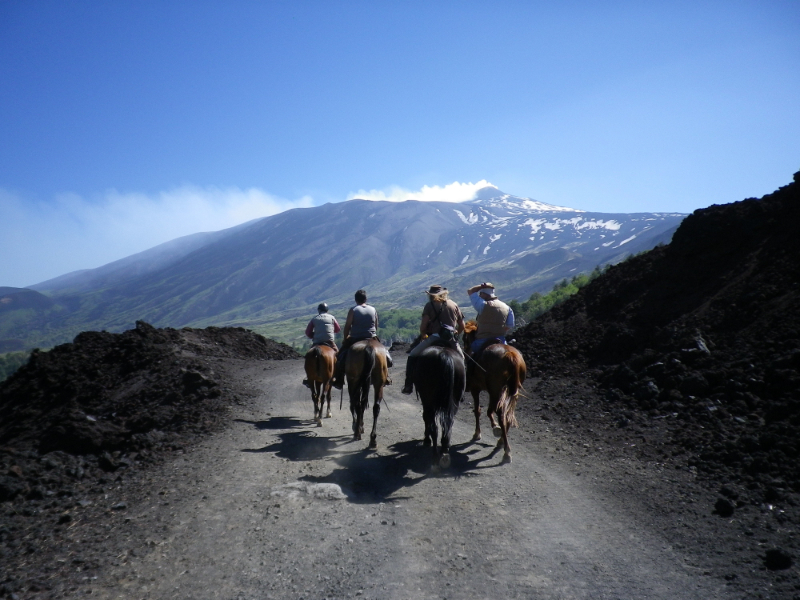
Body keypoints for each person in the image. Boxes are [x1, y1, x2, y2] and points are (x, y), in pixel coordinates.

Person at [402, 284, 465, 395]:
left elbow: (423, 327)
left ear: (431, 295)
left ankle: (408, 385)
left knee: (412, 354)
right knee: (462, 359)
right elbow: (462, 326)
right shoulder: (454, 305)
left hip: (435, 337)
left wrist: (423, 335)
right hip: (450, 339)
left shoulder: (429, 305)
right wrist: (456, 334)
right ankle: (462, 389)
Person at [331, 289, 383, 389]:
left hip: (356, 338)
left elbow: (347, 326)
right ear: (366, 299)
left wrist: (346, 338)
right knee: (384, 353)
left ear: (356, 300)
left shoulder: (353, 310)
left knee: (340, 357)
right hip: (371, 337)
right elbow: (376, 326)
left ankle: (339, 379)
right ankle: (386, 375)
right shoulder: (373, 309)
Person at [466, 282, 515, 355]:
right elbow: (509, 326)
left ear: (485, 294)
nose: (480, 296)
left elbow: (470, 291)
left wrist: (483, 286)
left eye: (481, 294)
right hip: (501, 340)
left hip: (482, 340)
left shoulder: (482, 305)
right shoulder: (507, 308)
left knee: (471, 357)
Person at [302, 302, 340, 389]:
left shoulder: (314, 319)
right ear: (327, 310)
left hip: (317, 342)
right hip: (329, 342)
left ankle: (308, 377)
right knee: (338, 356)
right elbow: (338, 329)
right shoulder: (332, 318)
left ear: (319, 310)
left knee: (308, 357)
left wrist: (313, 335)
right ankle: (337, 378)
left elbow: (308, 332)